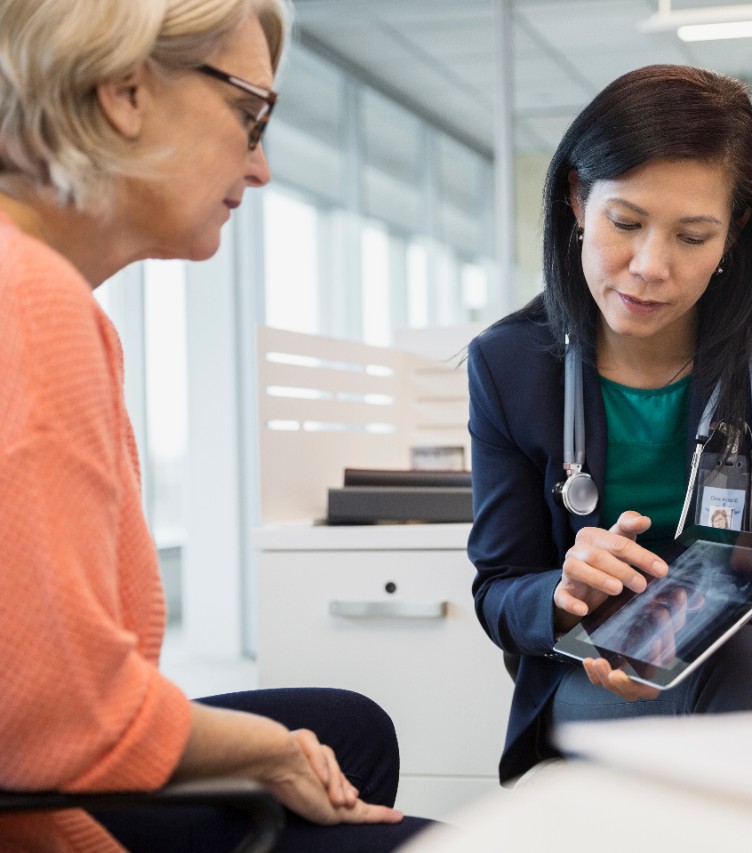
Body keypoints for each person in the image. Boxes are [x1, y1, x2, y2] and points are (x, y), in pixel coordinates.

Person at [0, 0, 432, 849]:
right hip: (37, 782)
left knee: (348, 727)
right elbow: (50, 720)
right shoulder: (28, 303)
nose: (263, 166)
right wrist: (270, 754)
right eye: (249, 113)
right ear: (123, 89)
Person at [467, 64, 752, 785]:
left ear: (736, 234)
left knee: (748, 666)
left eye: (693, 236)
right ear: (578, 198)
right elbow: (501, 588)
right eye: (626, 223)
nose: (649, 267)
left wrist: (686, 636)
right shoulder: (508, 365)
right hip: (602, 671)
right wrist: (565, 592)